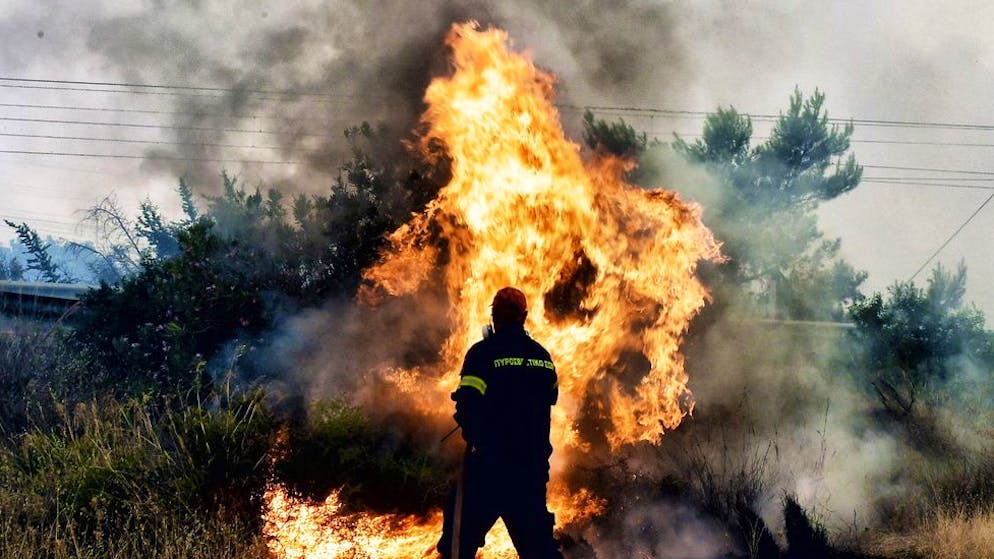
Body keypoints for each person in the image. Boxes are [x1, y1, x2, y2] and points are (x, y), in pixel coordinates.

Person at [437, 287, 563, 559]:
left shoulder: (483, 354)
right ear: (524, 317)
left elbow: (467, 405)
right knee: (540, 550)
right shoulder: (543, 357)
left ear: (494, 317)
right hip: (530, 472)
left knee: (457, 545)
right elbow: (550, 397)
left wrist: (477, 433)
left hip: (490, 471)